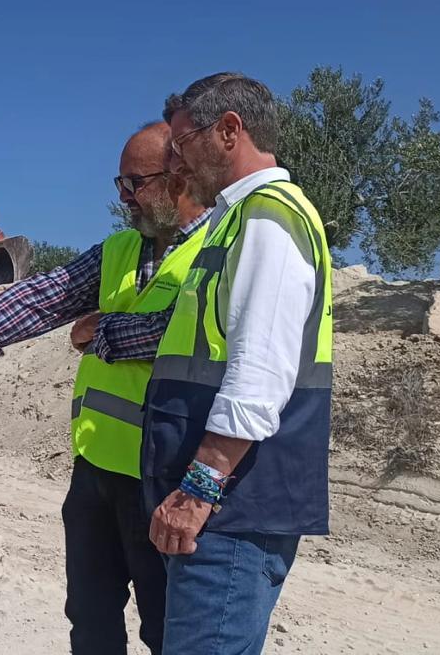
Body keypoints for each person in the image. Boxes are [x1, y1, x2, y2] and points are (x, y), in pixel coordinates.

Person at [0, 121, 210, 655]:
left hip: (164, 480)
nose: (125, 197)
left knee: (167, 629)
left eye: (137, 183)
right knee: (90, 619)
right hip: (97, 474)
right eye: (120, 185)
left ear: (179, 176)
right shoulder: (120, 249)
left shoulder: (215, 252)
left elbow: (183, 332)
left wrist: (98, 330)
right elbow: (43, 297)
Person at [145, 73, 333, 654]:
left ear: (229, 130)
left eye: (182, 142)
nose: (175, 160)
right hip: (227, 506)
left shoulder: (267, 217)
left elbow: (259, 372)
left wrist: (199, 489)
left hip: (230, 511)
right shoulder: (236, 219)